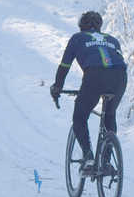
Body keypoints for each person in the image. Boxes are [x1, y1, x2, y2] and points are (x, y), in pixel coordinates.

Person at [50, 11, 127, 174]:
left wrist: (57, 87)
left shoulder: (77, 38)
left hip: (95, 76)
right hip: (119, 76)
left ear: (81, 27)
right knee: (110, 114)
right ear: (100, 27)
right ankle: (106, 161)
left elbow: (64, 66)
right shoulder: (112, 40)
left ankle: (88, 157)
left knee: (79, 117)